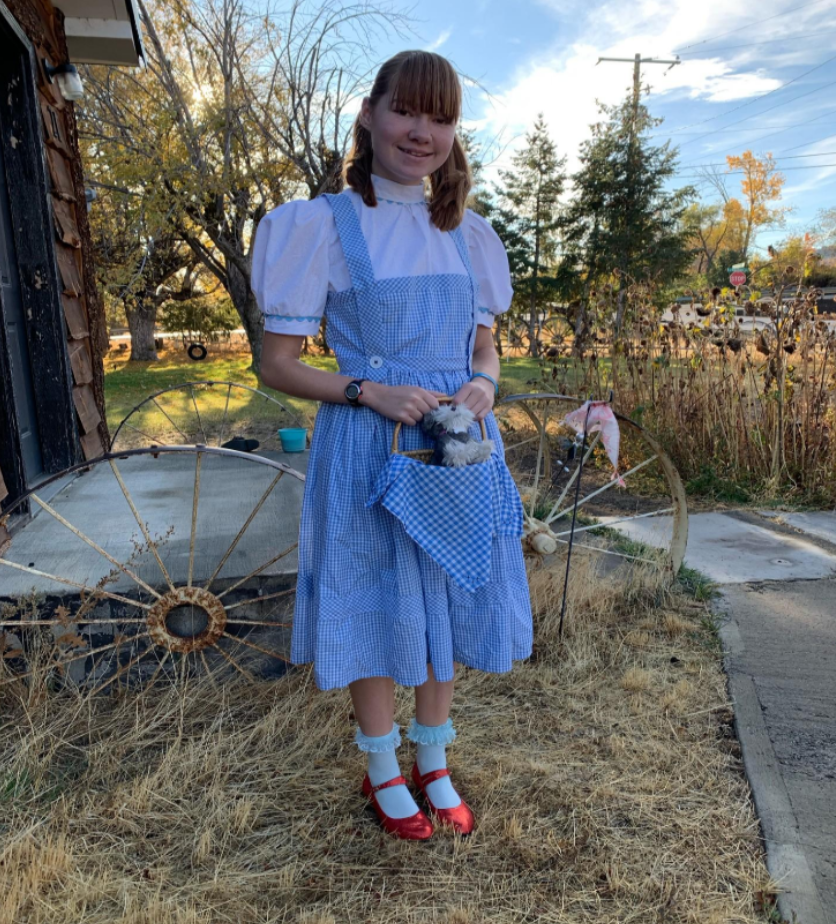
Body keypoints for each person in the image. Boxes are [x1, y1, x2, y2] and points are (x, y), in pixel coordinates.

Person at [253, 50, 532, 840]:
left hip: (455, 443)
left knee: (447, 583)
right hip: (369, 445)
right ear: (369, 115)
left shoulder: (470, 236)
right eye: (406, 111)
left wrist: (483, 385)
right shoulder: (320, 227)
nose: (422, 132)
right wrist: (367, 391)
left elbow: (484, 349)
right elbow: (278, 363)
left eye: (440, 118)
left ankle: (433, 759)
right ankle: (382, 767)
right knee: (374, 595)